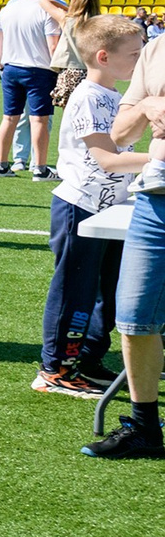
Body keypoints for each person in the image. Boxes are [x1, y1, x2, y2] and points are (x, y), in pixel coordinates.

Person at [39, 15, 145, 398]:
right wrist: (159, 161)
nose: (141, 60)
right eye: (135, 54)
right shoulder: (87, 97)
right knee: (74, 291)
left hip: (111, 210)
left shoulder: (114, 96)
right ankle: (55, 368)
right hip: (80, 209)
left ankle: (88, 359)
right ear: (103, 57)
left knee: (110, 289)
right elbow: (107, 159)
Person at [93, 25, 165, 459]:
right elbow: (119, 134)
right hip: (156, 197)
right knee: (135, 318)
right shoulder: (156, 49)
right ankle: (144, 426)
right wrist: (150, 105)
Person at [0, 0, 67, 179]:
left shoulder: (8, 7)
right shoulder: (47, 9)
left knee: (9, 118)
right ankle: (40, 168)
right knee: (39, 120)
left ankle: (1, 164)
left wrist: (2, 65)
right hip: (39, 70)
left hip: (11, 68)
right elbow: (53, 45)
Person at [52, 0, 102, 109]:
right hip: (94, 71)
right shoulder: (100, 23)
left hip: (71, 70)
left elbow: (44, 1)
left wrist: (69, 10)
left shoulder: (67, 20)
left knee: (70, 113)